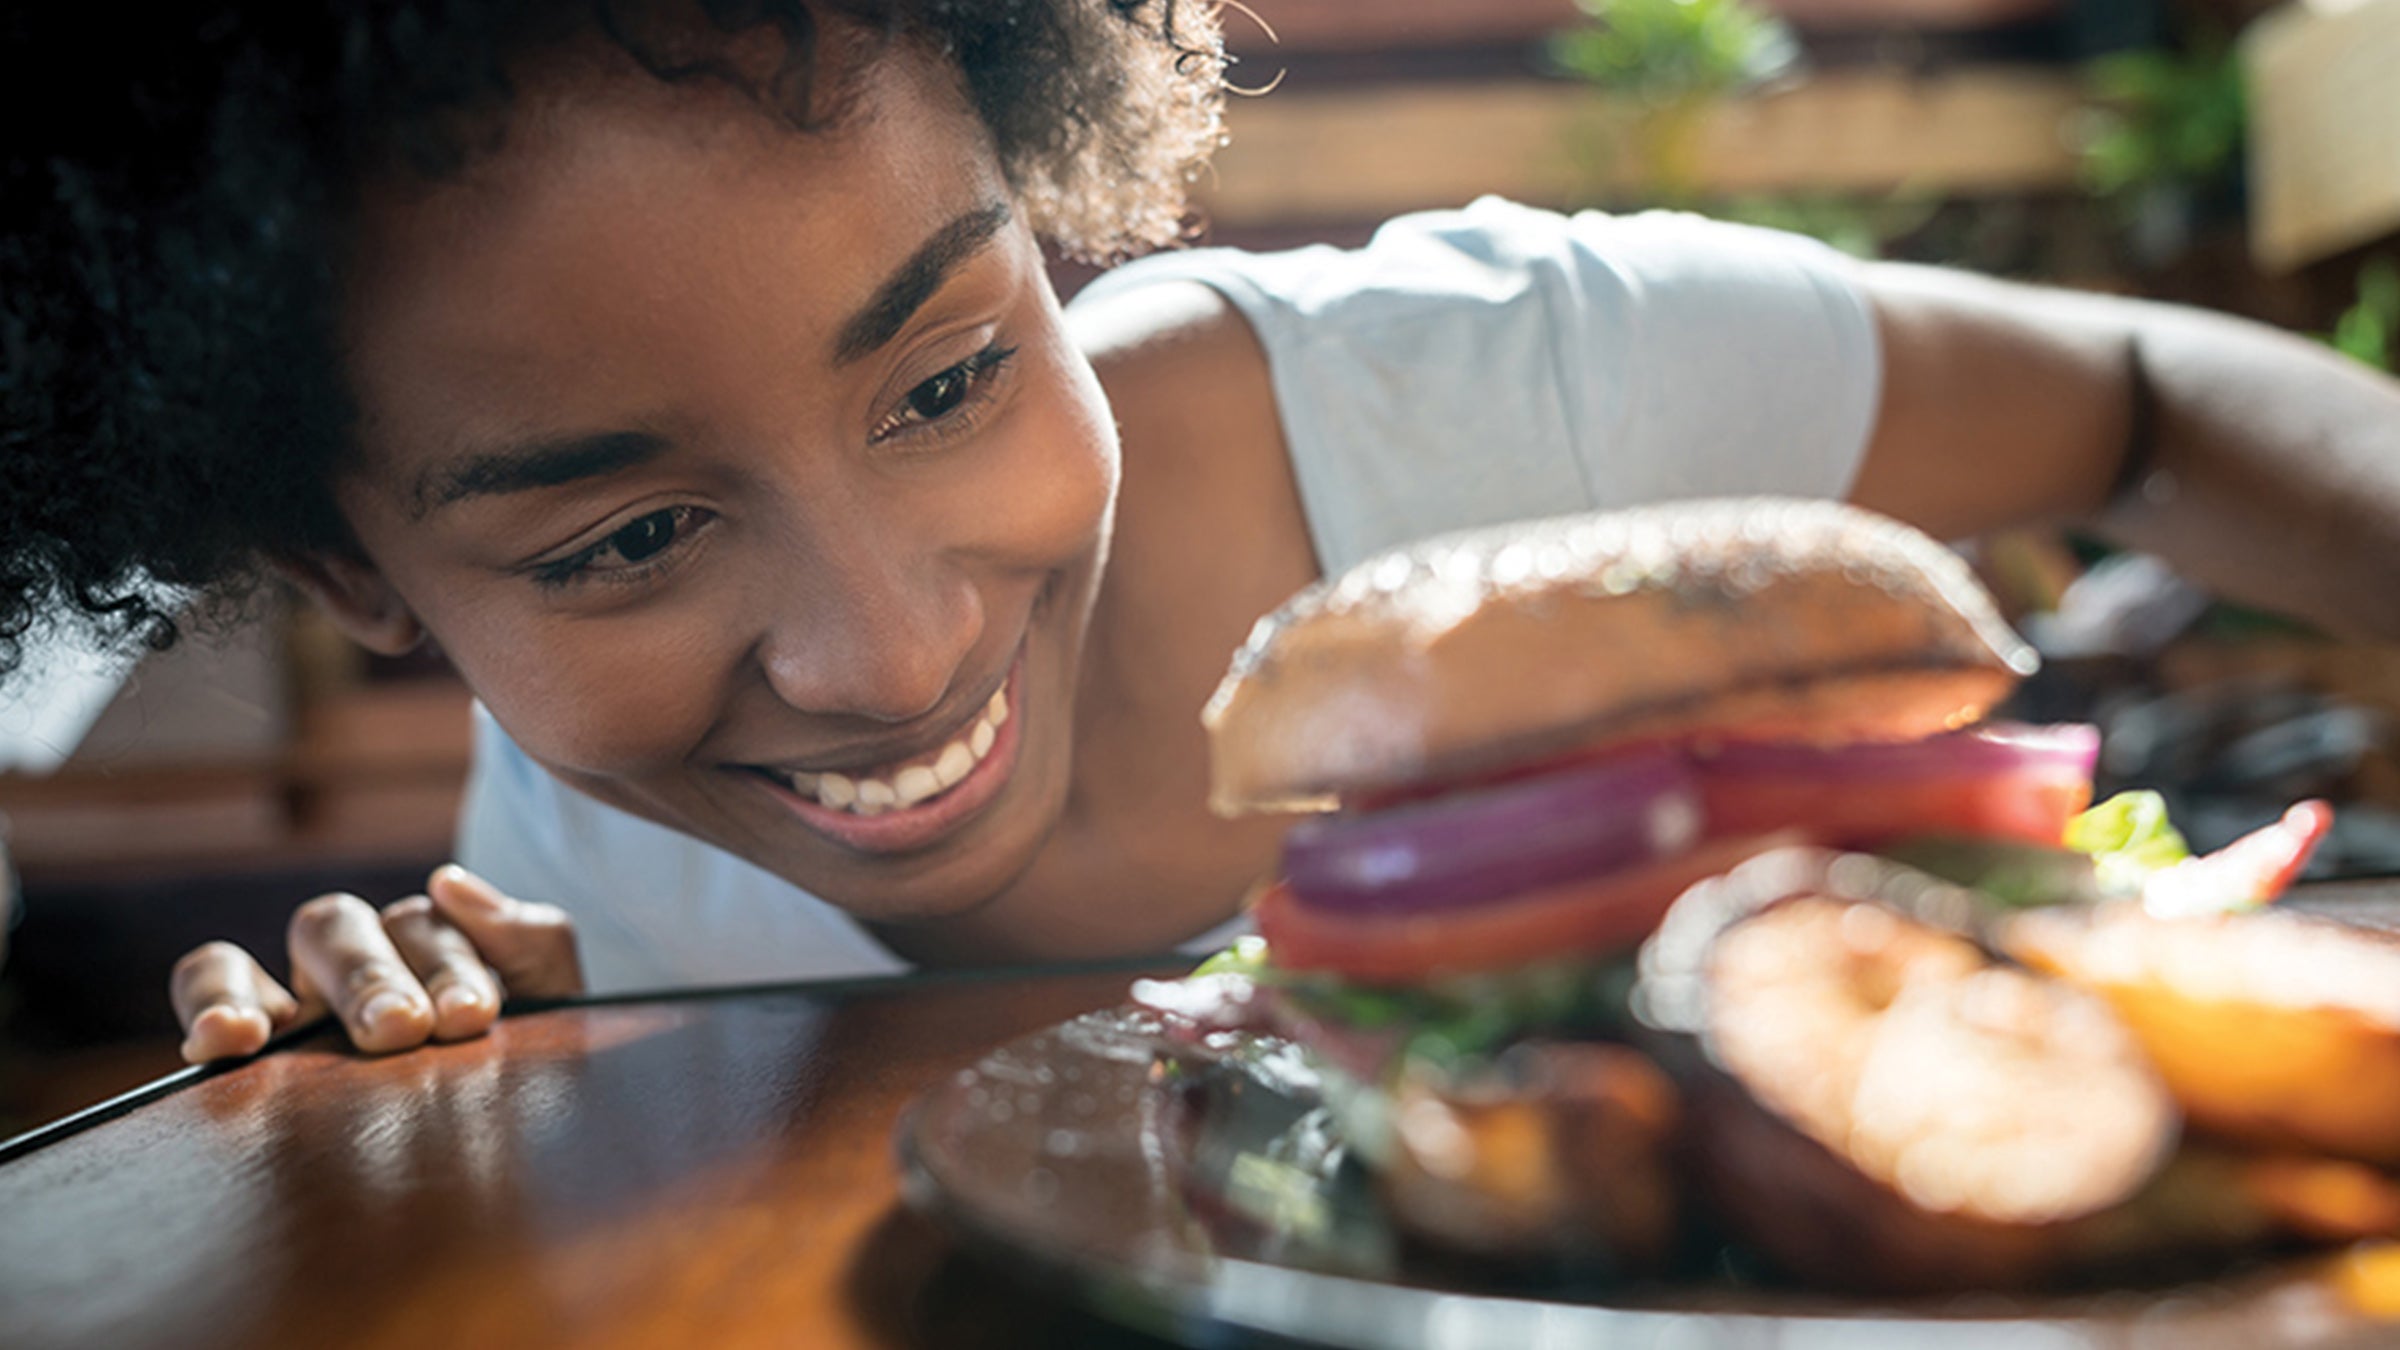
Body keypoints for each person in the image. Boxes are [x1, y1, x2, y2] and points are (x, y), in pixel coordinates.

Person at [4, 2, 2395, 1066]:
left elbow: (2163, 394)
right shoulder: (588, 872)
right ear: (351, 575)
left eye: (947, 376)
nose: (895, 643)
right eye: (625, 542)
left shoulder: (1517, 390)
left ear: (1047, 220)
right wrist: (487, 1106)